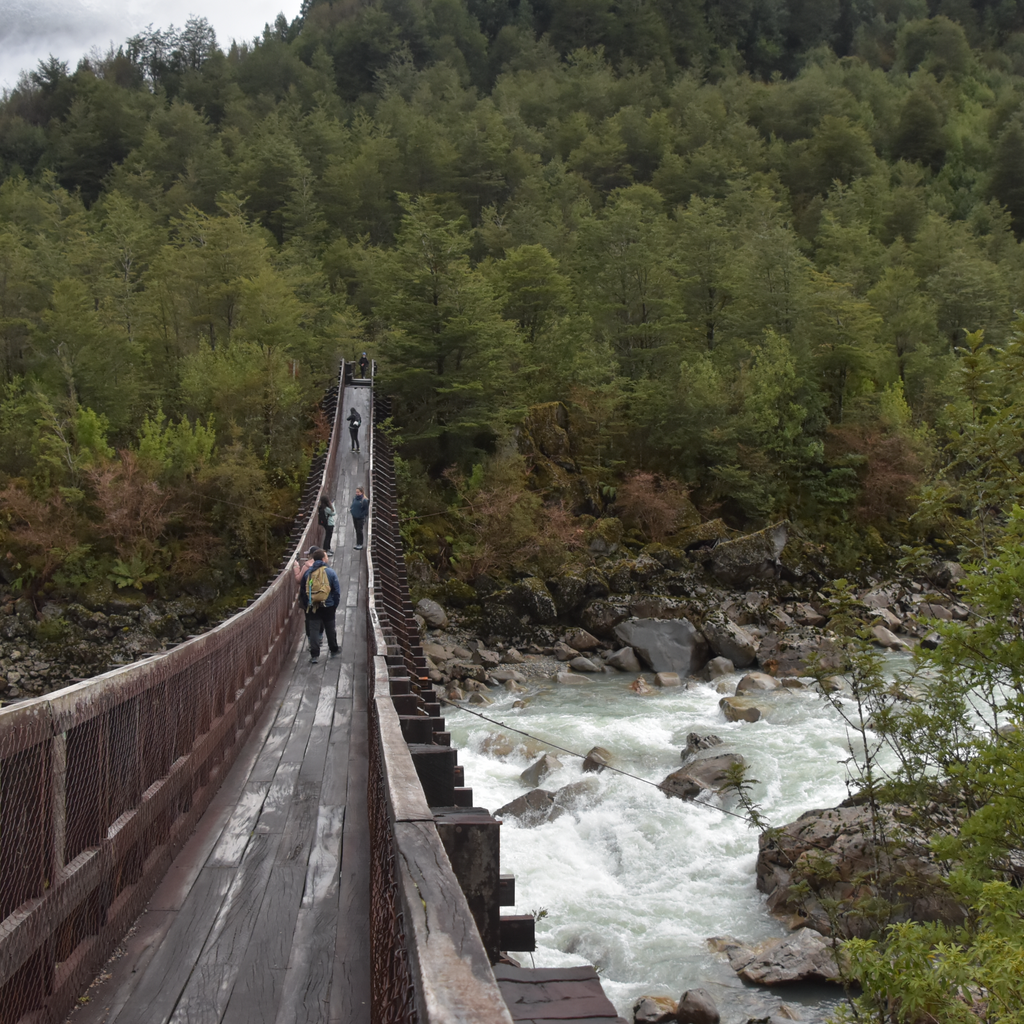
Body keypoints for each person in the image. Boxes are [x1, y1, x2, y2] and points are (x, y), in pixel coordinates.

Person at [300, 547, 341, 664]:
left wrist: (308, 602)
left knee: (313, 630)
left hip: (312, 605)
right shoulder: (330, 572)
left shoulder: (308, 572)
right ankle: (333, 649)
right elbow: (336, 591)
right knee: (330, 628)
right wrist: (334, 605)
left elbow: (303, 590)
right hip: (328, 605)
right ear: (323, 559)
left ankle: (314, 655)